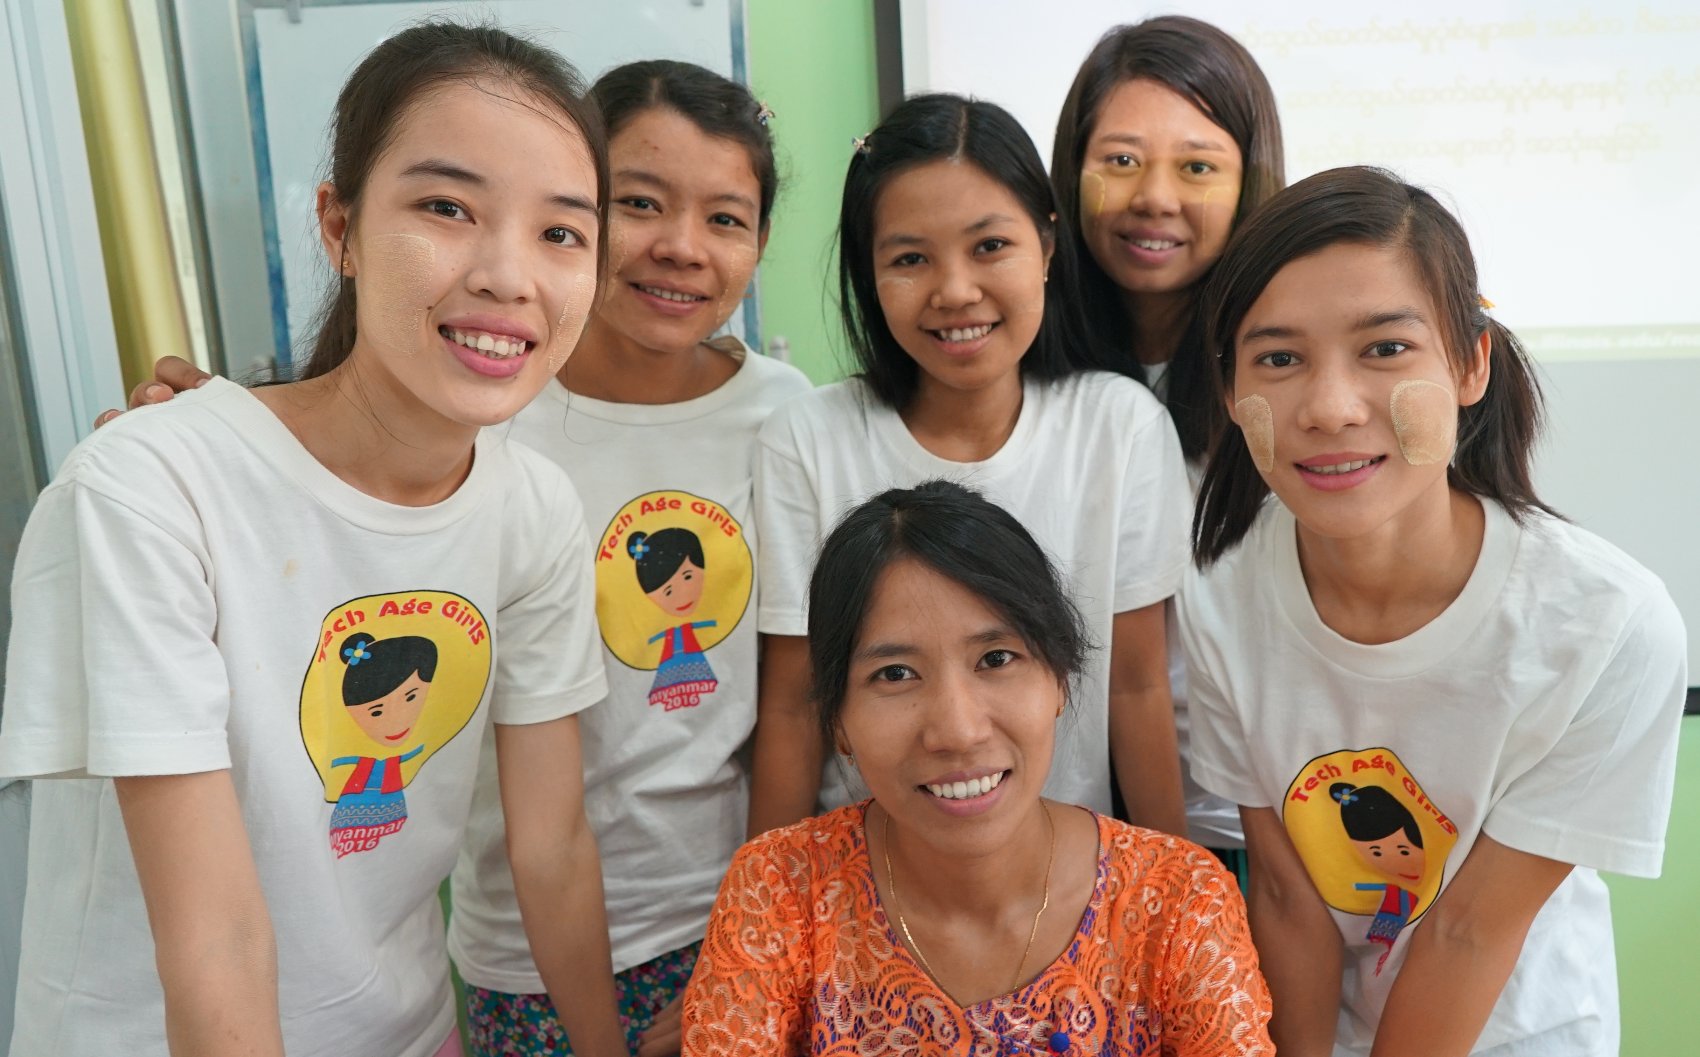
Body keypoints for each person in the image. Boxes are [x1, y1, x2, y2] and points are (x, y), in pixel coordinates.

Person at [0, 23, 627, 1057]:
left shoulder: (532, 509)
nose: (511, 276)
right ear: (339, 224)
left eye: (561, 232)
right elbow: (217, 944)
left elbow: (550, 847)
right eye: (445, 207)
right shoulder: (152, 487)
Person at [1179, 166, 1688, 1056]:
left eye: (1384, 349)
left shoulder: (1609, 626)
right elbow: (1290, 901)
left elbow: (1467, 931)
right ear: (1230, 391)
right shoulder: (1219, 593)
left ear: (1470, 363)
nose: (1330, 408)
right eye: (1279, 358)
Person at [444, 60, 811, 1057]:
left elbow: (790, 697)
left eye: (726, 219)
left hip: (731, 915)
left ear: (761, 243)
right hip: (529, 943)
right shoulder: (492, 415)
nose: (681, 248)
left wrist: (752, 943)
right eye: (639, 204)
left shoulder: (784, 415)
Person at [680, 480, 1272, 1056]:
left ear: (1060, 679)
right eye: (895, 674)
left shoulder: (1179, 904)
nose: (958, 731)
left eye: (996, 658)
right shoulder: (780, 892)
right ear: (836, 720)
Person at [749, 94, 1193, 841]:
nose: (955, 291)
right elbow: (795, 705)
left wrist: (1177, 900)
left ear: (1049, 248)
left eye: (989, 246)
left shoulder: (1118, 427)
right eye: (910, 258)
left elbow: (1138, 685)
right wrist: (759, 907)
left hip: (1064, 875)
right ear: (869, 272)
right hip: (867, 873)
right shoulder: (808, 436)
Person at [1050, 15, 1286, 873]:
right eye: (1120, 160)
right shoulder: (1020, 373)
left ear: (1250, 184)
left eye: (1197, 167)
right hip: (1067, 817)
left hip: (1260, 820)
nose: (1154, 196)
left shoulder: (1287, 373)